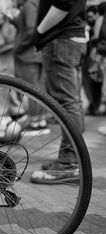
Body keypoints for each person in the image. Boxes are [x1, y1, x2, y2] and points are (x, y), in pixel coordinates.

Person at [30, 0, 87, 184]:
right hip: (72, 37)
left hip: (61, 39)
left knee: (67, 103)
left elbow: (63, 3)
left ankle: (69, 163)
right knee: (72, 102)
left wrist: (38, 32)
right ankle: (72, 159)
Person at [12, 0, 48, 132]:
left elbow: (30, 31)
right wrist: (15, 20)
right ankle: (39, 120)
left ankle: (36, 121)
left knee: (33, 90)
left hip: (28, 53)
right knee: (37, 88)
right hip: (35, 52)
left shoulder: (30, 4)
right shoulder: (36, 3)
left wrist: (17, 48)